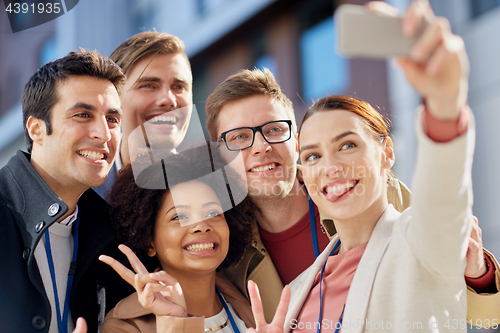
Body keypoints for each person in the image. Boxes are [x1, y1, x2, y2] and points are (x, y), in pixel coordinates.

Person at [204, 4, 499, 326]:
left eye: (274, 130)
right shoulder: (225, 249)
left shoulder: (374, 194)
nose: (260, 146)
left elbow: (464, 294)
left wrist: (478, 273)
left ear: (297, 141)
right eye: (239, 138)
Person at [0, 50, 132, 333]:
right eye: (83, 115)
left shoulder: (113, 233)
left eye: (112, 119)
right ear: (36, 129)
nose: (104, 134)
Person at [98, 145, 257, 332]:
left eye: (213, 212)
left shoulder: (250, 304)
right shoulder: (123, 327)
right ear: (148, 240)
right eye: (179, 217)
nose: (202, 226)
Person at [94, 31, 193, 199]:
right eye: (149, 85)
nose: (169, 100)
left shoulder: (212, 191)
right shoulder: (83, 194)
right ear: (115, 100)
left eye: (179, 87)